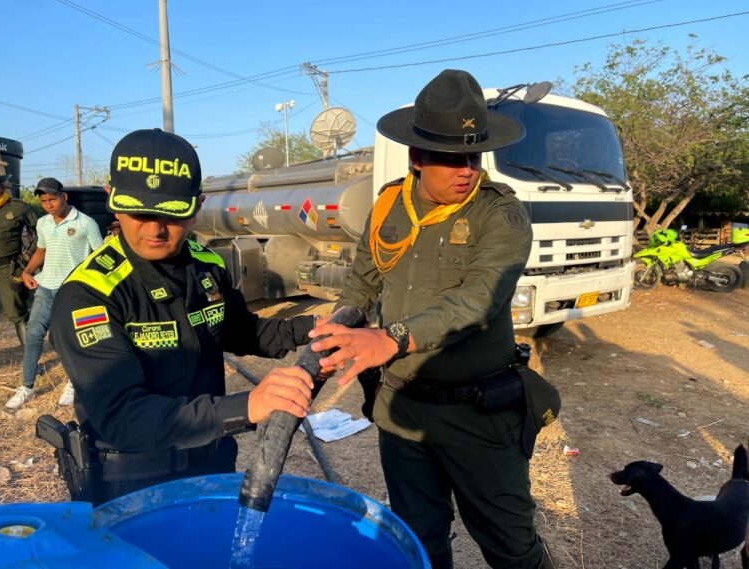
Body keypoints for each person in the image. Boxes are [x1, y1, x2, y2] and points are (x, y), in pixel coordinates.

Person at [309, 70, 557, 568]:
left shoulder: (500, 216)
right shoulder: (388, 208)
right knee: (417, 539)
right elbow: (363, 282)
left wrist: (390, 339)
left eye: (473, 156)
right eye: (450, 157)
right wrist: (339, 326)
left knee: (510, 544)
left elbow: (479, 299)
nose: (466, 169)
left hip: (479, 415)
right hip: (403, 410)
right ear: (417, 158)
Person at [49, 128, 315, 506]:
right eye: (139, 212)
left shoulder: (206, 265)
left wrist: (314, 328)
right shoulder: (90, 293)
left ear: (197, 204)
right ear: (112, 198)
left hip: (212, 465)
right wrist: (248, 405)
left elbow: (244, 331)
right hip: (133, 485)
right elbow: (123, 416)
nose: (155, 229)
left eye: (173, 215)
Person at [5, 178, 103, 410]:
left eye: (52, 199)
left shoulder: (86, 223)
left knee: (69, 338)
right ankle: (27, 386)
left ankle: (73, 381)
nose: (48, 204)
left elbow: (98, 255)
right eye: (44, 200)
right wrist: (28, 271)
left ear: (64, 196)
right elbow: (41, 250)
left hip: (73, 289)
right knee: (34, 335)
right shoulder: (43, 223)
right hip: (46, 286)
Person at [0, 165, 38, 348]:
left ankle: (30, 360)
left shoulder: (18, 208)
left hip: (9, 268)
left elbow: (40, 234)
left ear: (2, 187)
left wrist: (27, 257)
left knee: (18, 315)